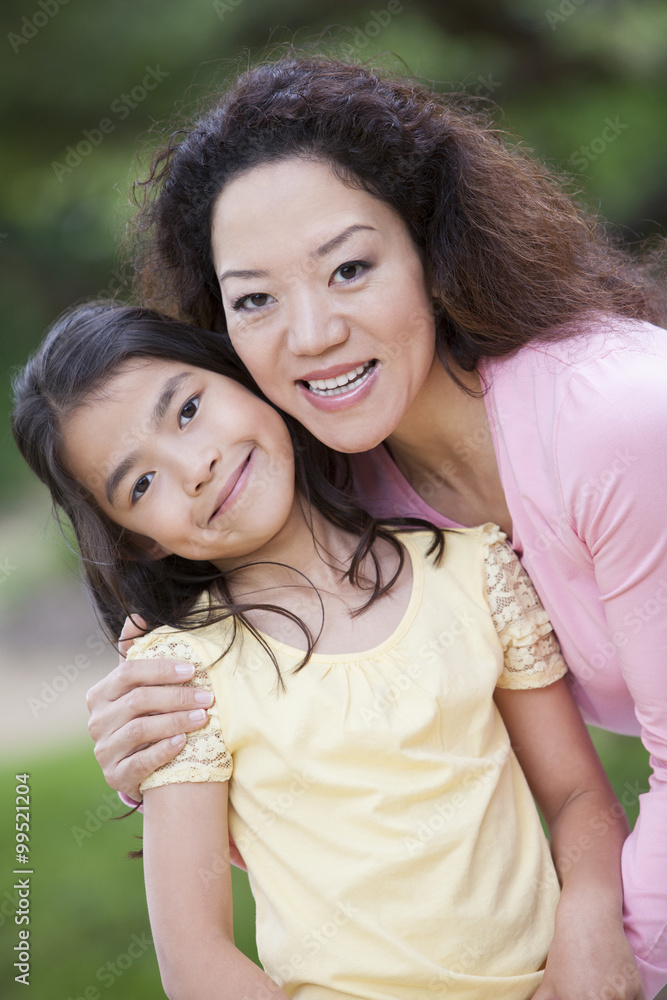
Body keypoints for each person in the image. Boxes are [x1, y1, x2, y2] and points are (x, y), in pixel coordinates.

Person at [84, 56, 667, 996]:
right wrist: (162, 748)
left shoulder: (622, 421)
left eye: (349, 267)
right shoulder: (350, 491)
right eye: (255, 300)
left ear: (430, 250)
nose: (310, 334)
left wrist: (596, 950)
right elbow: (372, 794)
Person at [12, 301, 643, 999]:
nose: (193, 467)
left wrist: (587, 915)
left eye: (188, 410)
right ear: (138, 539)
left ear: (244, 377)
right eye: (141, 483)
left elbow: (579, 792)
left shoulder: (471, 571)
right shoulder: (181, 678)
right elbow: (195, 961)